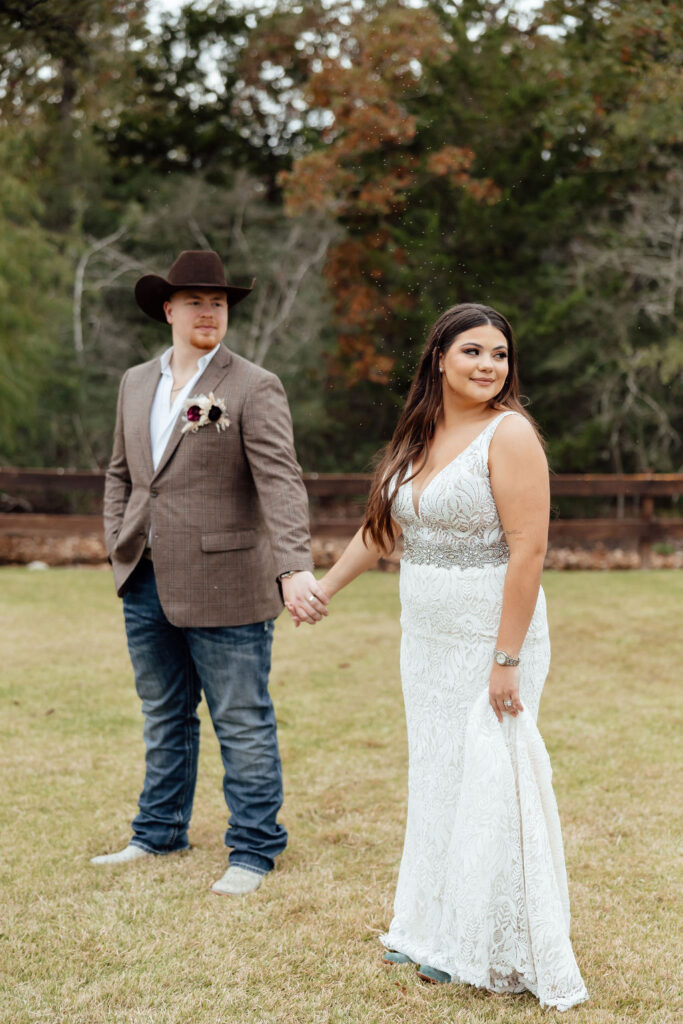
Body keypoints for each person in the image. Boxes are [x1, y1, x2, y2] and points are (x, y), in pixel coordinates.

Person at [292, 303, 589, 1009]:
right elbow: (382, 530)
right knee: (437, 776)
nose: (489, 365)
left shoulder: (509, 434)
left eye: (499, 354)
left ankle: (491, 944)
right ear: (438, 359)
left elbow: (529, 550)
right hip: (423, 638)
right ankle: (430, 926)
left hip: (492, 635)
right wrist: (325, 588)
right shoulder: (420, 433)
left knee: (491, 776)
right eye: (472, 352)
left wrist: (505, 657)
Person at [92, 249, 329, 895]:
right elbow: (121, 472)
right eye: (195, 301)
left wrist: (293, 567)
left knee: (242, 719)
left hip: (228, 582)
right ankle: (158, 832)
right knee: (164, 713)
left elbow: (281, 482)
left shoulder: (254, 385)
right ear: (168, 310)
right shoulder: (135, 382)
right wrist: (118, 540)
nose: (207, 312)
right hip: (142, 577)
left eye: (218, 303)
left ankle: (253, 851)